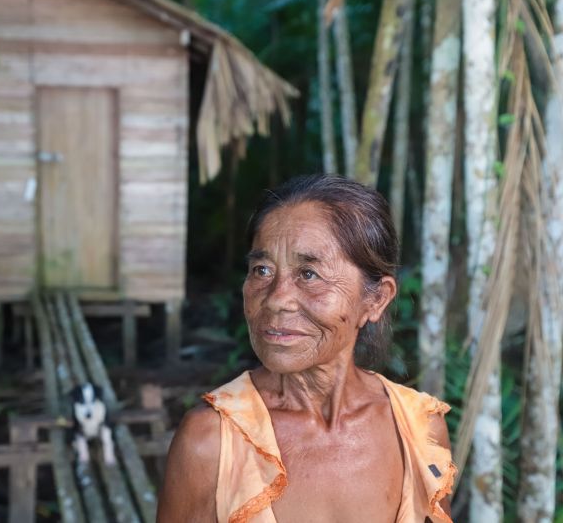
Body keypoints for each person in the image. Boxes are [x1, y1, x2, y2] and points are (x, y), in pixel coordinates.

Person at [157, 175, 455, 523]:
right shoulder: (211, 442)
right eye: (262, 270)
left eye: (309, 274)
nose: (278, 299)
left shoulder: (420, 431)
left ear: (375, 299)